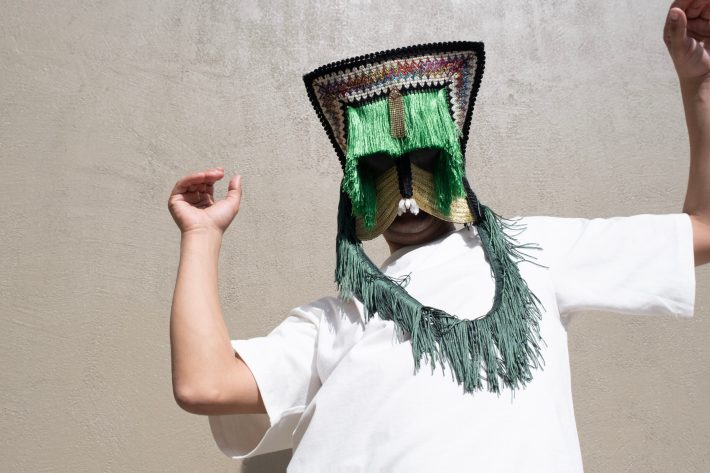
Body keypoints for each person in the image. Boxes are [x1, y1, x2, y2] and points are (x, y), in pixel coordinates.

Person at [168, 3, 710, 472]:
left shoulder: (532, 253)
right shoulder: (335, 322)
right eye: (378, 169)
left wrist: (698, 84)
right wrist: (201, 235)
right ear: (354, 190)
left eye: (425, 159)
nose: (405, 192)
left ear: (453, 166)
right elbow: (204, 383)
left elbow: (703, 229)